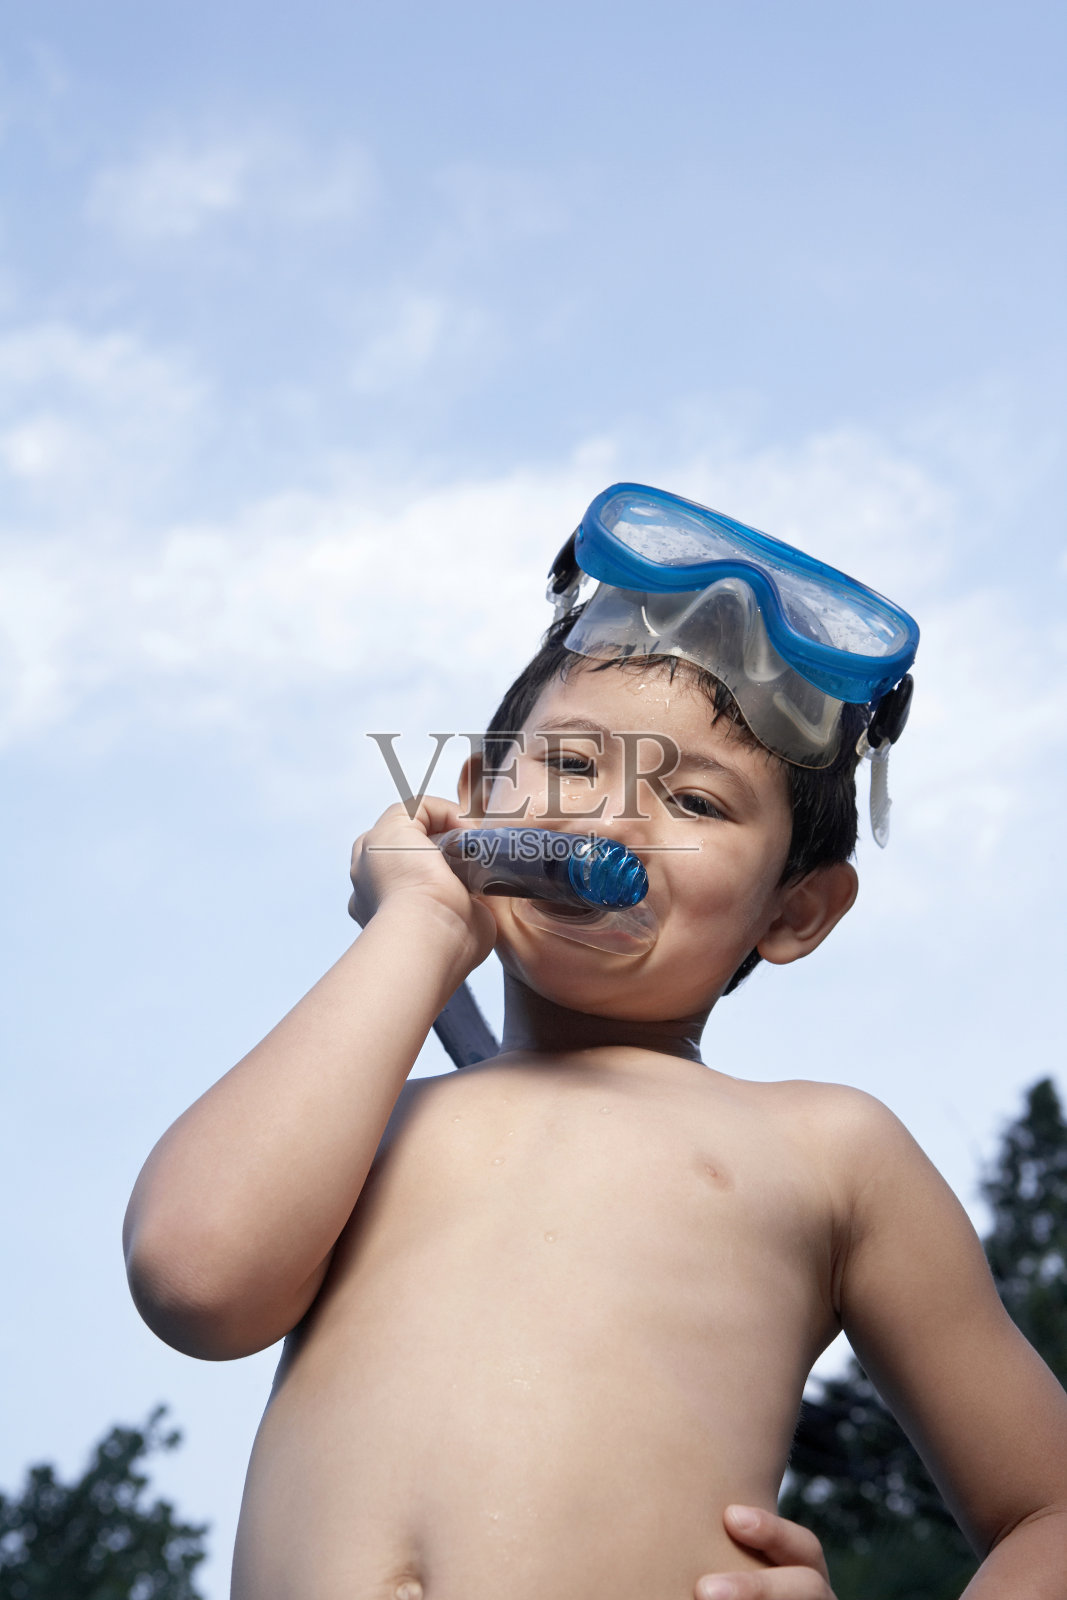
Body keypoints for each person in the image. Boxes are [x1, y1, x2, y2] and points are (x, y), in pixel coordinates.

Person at [124, 485, 1067, 1600]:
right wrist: (420, 923)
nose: (610, 818)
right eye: (571, 766)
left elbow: (1046, 1509)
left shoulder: (826, 1150)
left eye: (699, 804)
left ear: (793, 911)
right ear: (475, 801)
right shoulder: (364, 1113)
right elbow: (195, 1279)